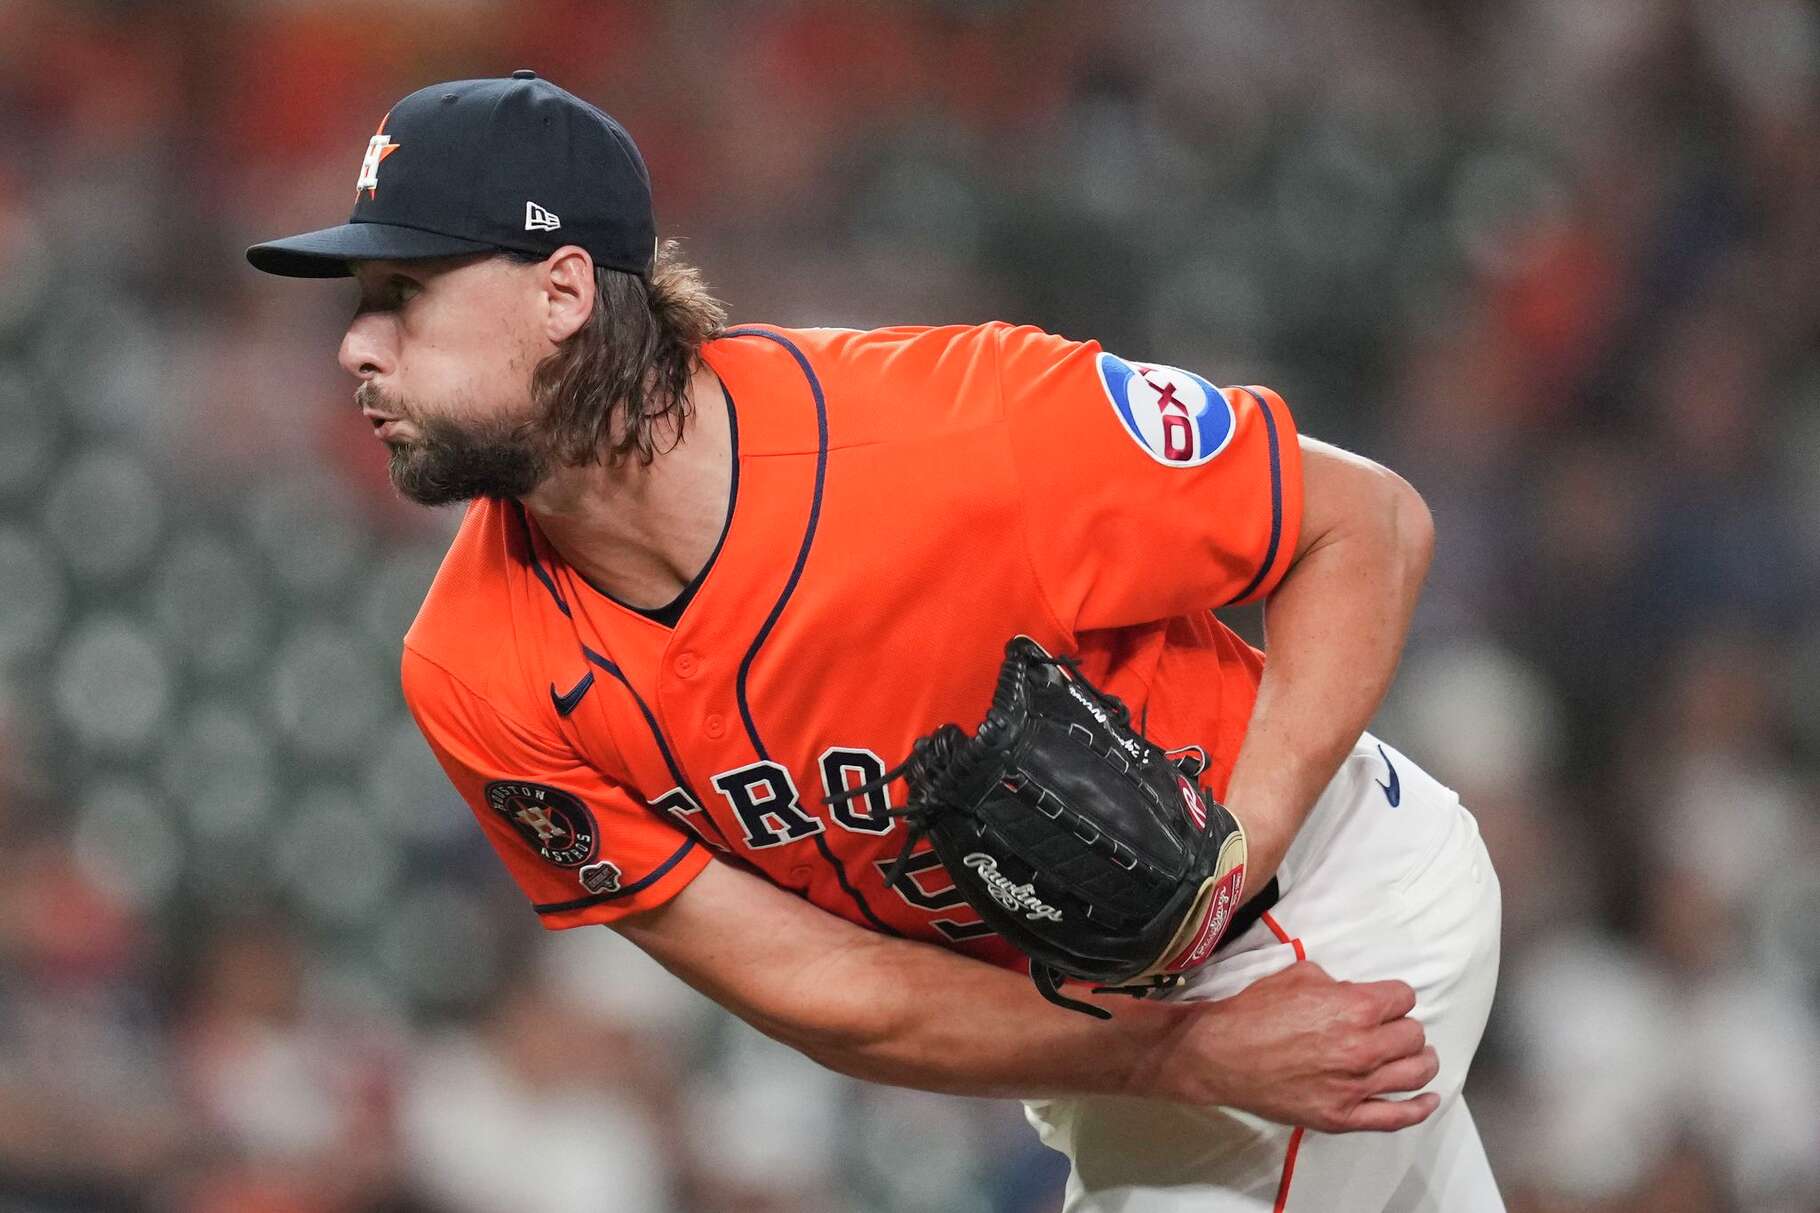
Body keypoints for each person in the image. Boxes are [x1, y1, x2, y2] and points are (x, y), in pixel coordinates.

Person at [248, 72, 1503, 1212]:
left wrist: (1234, 854)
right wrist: (1171, 1051)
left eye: (404, 293)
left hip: (1322, 916)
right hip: (1129, 1036)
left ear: (563, 290)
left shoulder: (956, 430)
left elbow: (1364, 524)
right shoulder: (474, 669)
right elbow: (830, 996)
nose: (356, 343)